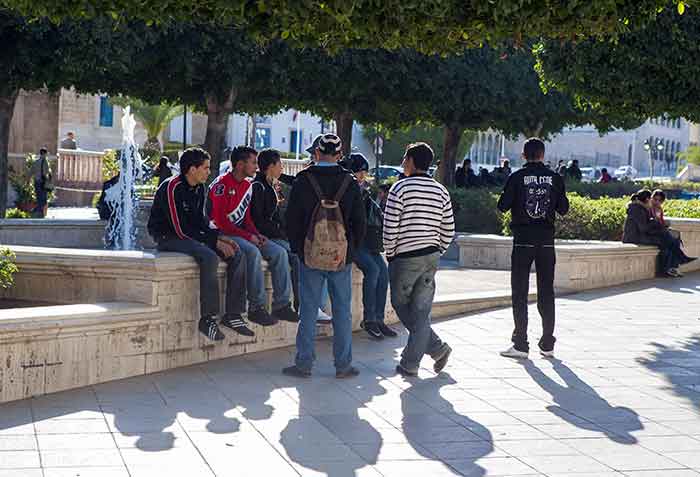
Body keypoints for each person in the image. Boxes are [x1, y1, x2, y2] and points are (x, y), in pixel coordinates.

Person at [282, 133, 366, 379]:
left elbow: (291, 220)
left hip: (310, 255)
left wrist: (300, 249)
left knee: (308, 309)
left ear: (316, 153)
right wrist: (349, 252)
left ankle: (304, 364)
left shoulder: (303, 180)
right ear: (339, 155)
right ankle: (343, 366)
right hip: (340, 257)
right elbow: (359, 224)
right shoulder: (349, 183)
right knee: (342, 310)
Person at [147, 147, 251, 340]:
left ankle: (233, 314)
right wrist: (213, 243)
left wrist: (219, 236)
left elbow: (201, 221)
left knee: (237, 253)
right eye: (205, 168)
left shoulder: (200, 187)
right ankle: (208, 318)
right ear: (192, 169)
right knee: (209, 257)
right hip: (168, 237)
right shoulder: (172, 187)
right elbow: (180, 229)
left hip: (189, 235)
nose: (208, 172)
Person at [384, 142, 455, 377]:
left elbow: (391, 224)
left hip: (405, 257)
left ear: (412, 161)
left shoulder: (400, 188)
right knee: (421, 311)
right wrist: (438, 250)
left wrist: (390, 252)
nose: (403, 163)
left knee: (401, 304)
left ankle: (412, 362)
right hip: (431, 257)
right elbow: (449, 229)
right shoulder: (441, 191)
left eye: (405, 158)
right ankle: (436, 348)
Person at [208, 146, 298, 326]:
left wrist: (257, 234)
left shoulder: (247, 186)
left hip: (243, 233)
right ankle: (256, 307)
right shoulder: (221, 185)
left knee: (279, 253)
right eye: (253, 163)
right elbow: (221, 222)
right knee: (253, 253)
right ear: (240, 164)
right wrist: (250, 238)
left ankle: (281, 305)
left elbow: (247, 218)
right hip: (223, 234)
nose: (257, 167)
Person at [497, 138, 569, 360]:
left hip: (523, 240)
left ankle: (521, 344)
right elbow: (563, 209)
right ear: (543, 154)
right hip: (546, 241)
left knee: (519, 292)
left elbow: (502, 206)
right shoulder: (555, 178)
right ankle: (547, 343)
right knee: (547, 292)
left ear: (523, 155)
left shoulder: (517, 177)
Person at [344, 152, 396, 340]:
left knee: (383, 271)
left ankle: (379, 320)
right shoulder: (347, 188)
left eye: (364, 173)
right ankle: (369, 320)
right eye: (360, 173)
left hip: (368, 241)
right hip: (353, 241)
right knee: (373, 270)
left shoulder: (361, 189)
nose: (363, 177)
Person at [622, 189, 695, 278]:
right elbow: (644, 228)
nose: (654, 202)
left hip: (639, 235)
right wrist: (655, 223)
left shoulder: (641, 208)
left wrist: (657, 225)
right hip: (634, 237)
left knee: (667, 239)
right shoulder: (637, 209)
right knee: (665, 240)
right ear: (648, 200)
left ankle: (672, 266)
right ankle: (676, 262)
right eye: (653, 199)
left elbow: (647, 226)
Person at [31, 148, 52, 218]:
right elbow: (46, 173)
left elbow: (31, 172)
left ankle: (37, 212)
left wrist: (28, 181)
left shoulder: (35, 162)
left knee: (38, 198)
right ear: (44, 154)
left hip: (36, 182)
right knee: (43, 198)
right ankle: (41, 213)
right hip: (43, 183)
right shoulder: (45, 162)